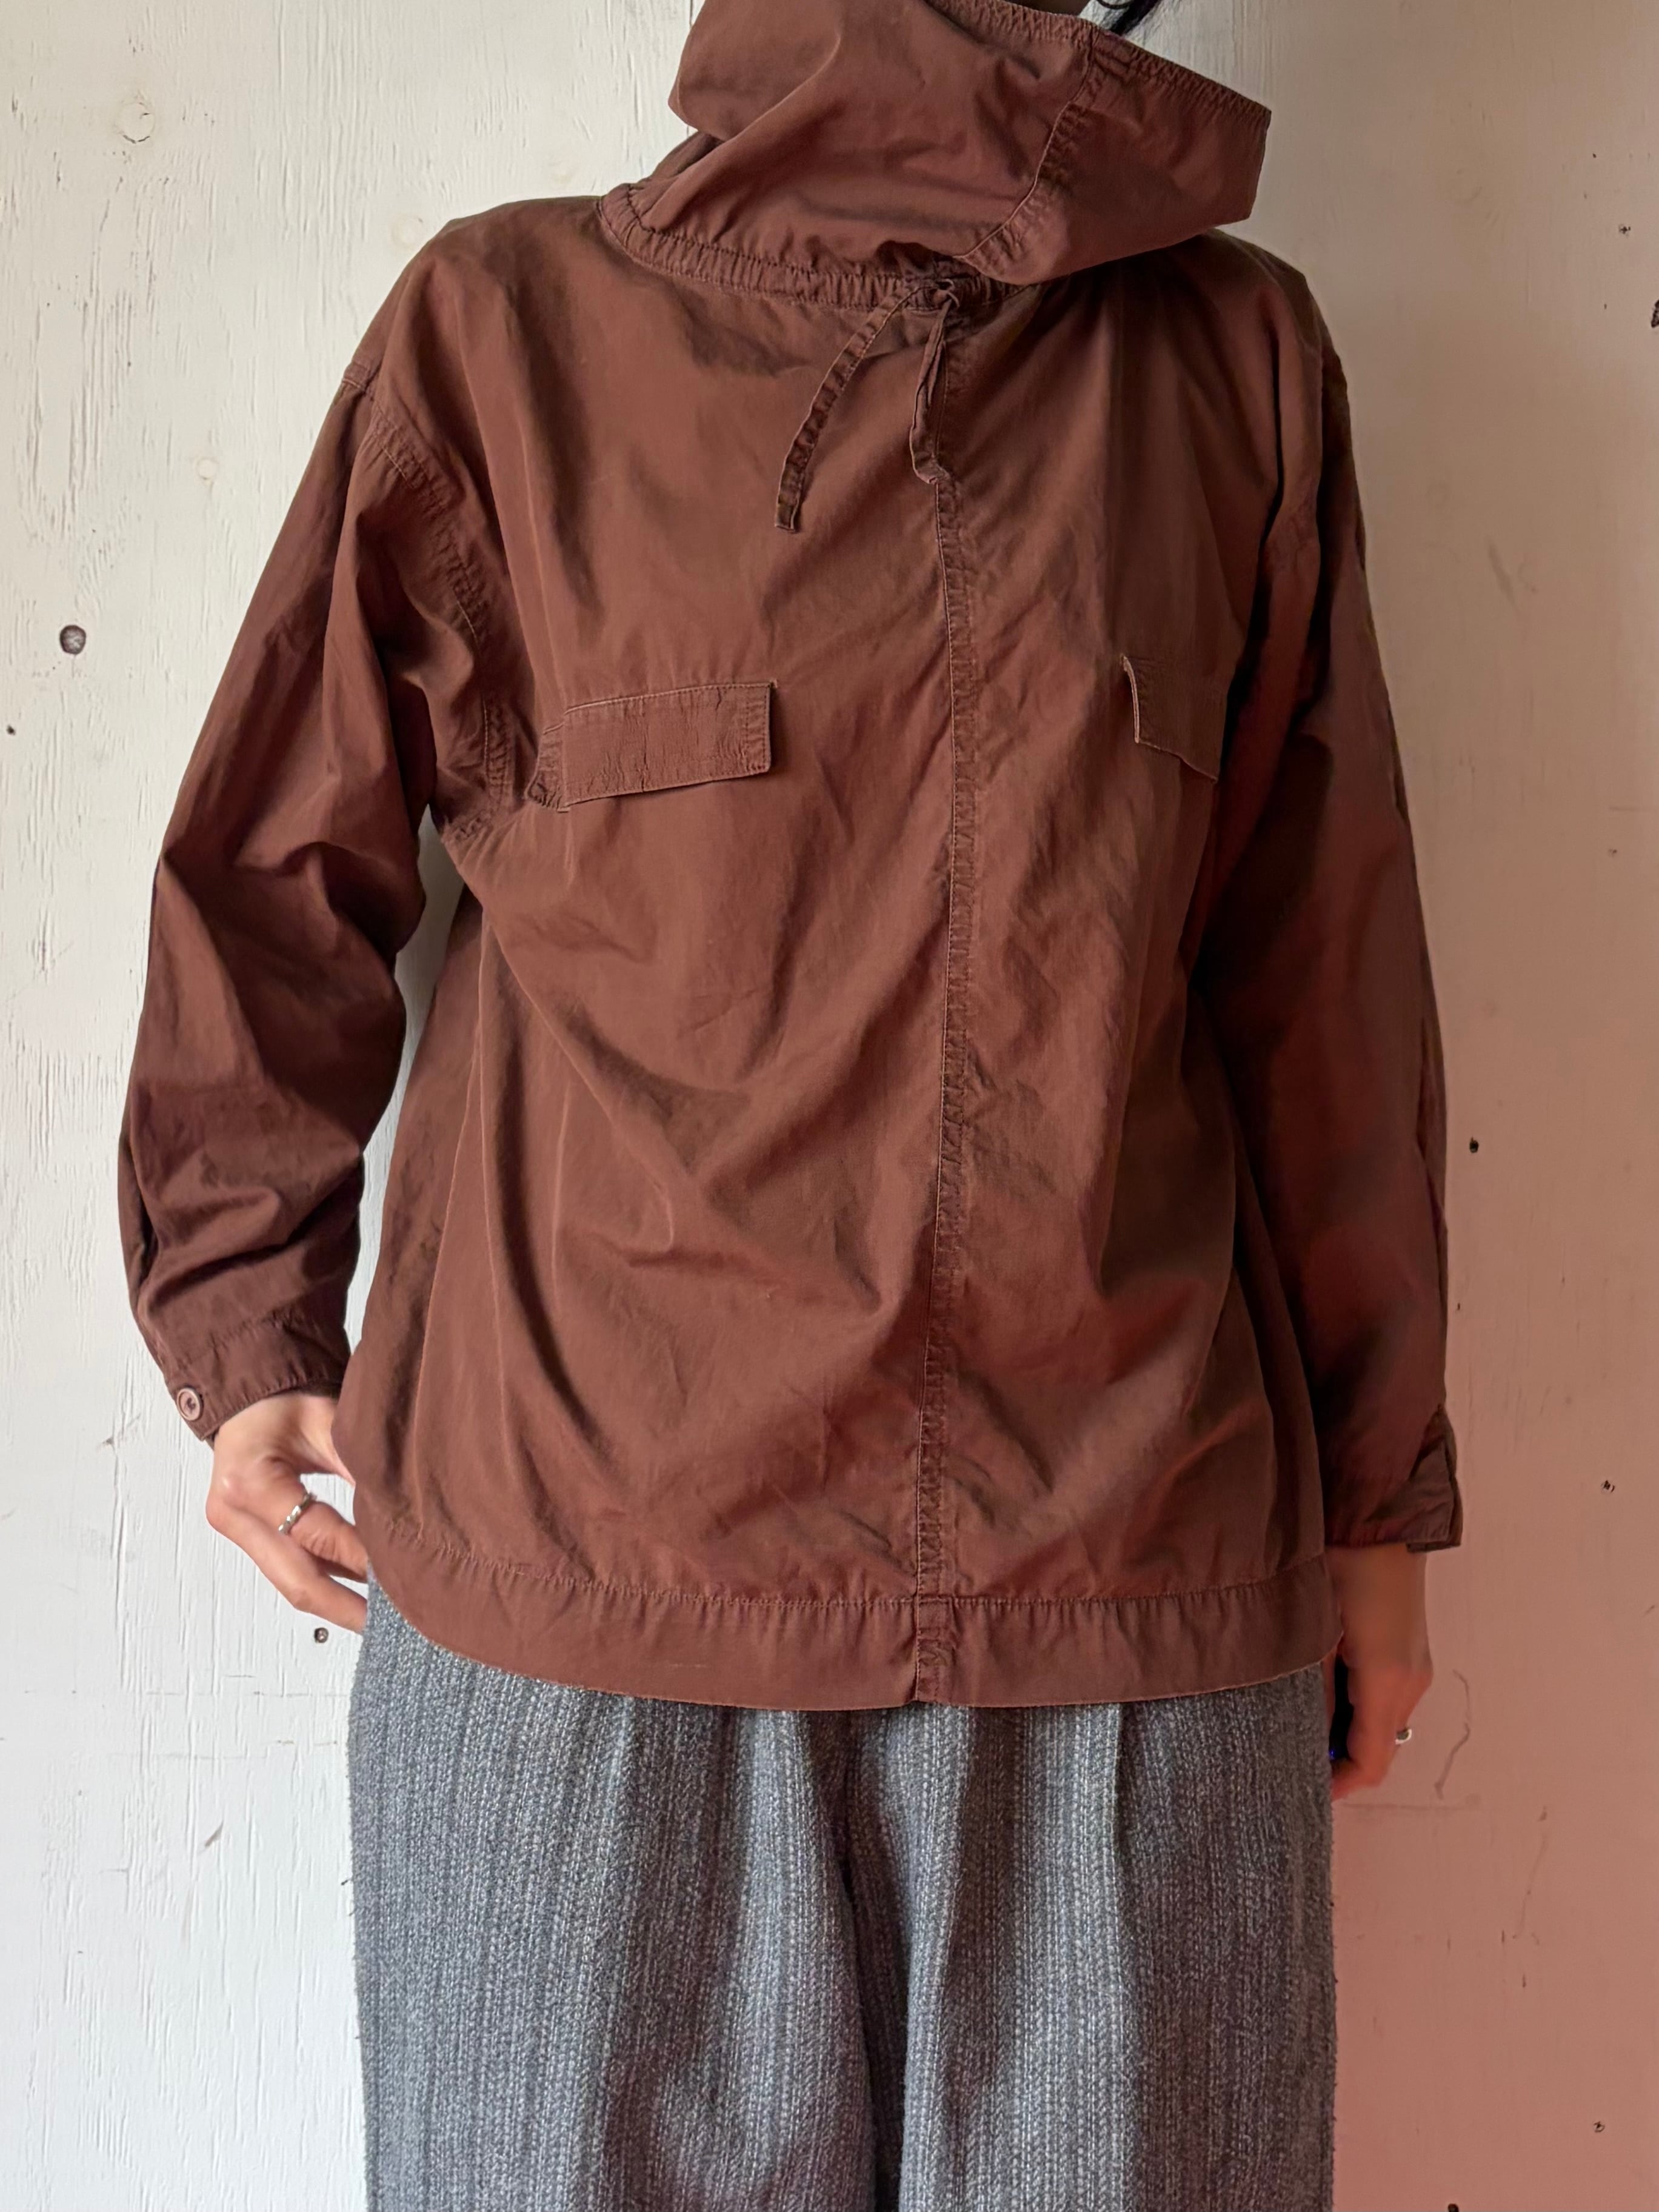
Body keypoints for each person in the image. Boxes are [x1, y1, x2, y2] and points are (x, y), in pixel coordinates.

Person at [116, 0, 1460, 2204]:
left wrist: (1375, 1503)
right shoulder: (502, 328)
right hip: (581, 1582)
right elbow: (277, 862)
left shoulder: (1229, 360)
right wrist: (244, 1320)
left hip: (1112, 1584)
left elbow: (1318, 964)